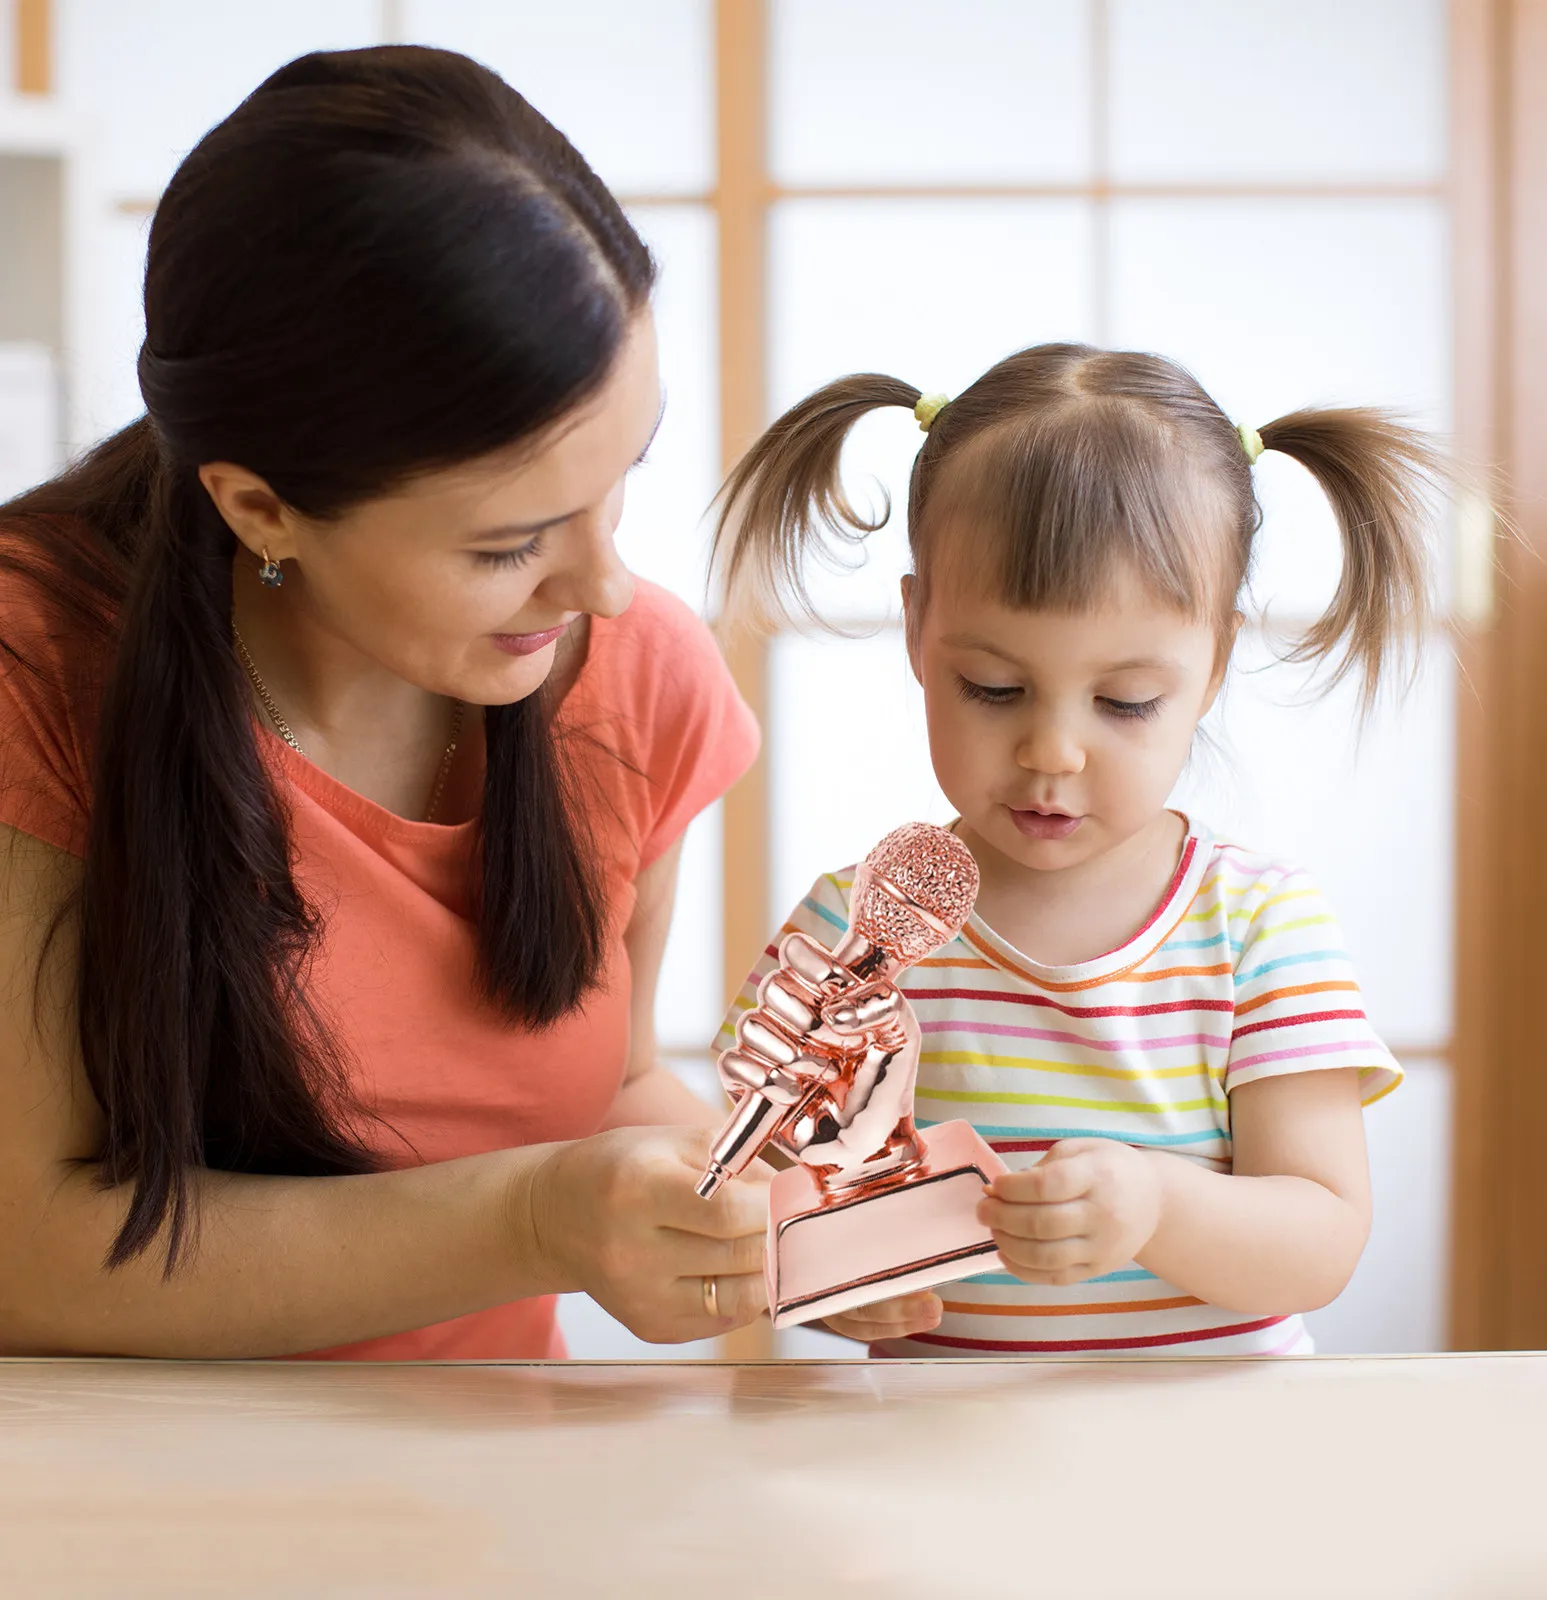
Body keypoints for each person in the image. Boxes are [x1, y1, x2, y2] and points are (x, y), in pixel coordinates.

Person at [0, 45, 772, 1359]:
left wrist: (786, 1216)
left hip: (498, 1503)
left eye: (622, 478)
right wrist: (532, 1223)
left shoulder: (642, 678)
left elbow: (617, 1082)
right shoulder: (40, 664)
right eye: (508, 543)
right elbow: (30, 1256)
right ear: (260, 507)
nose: (609, 585)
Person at [712, 345, 1438, 1356]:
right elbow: (764, 1194)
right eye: (994, 689)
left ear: (1216, 661)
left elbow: (1321, 1238)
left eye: (1124, 702)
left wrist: (1158, 1206)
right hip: (929, 1465)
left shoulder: (1258, 924)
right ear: (918, 628)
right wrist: (830, 1276)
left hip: (1209, 1464)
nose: (1052, 751)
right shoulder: (859, 926)